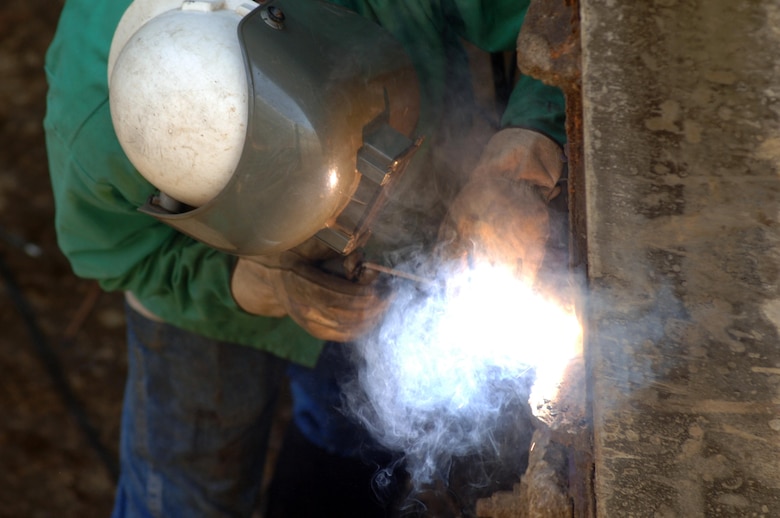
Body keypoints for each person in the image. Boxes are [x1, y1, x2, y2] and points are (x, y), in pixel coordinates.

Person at [44, 0, 566, 516]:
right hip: (193, 279)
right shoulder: (97, 131)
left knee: (346, 426)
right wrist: (251, 284)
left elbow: (571, 19)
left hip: (415, 183)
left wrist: (520, 159)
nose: (341, 245)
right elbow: (122, 257)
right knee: (183, 498)